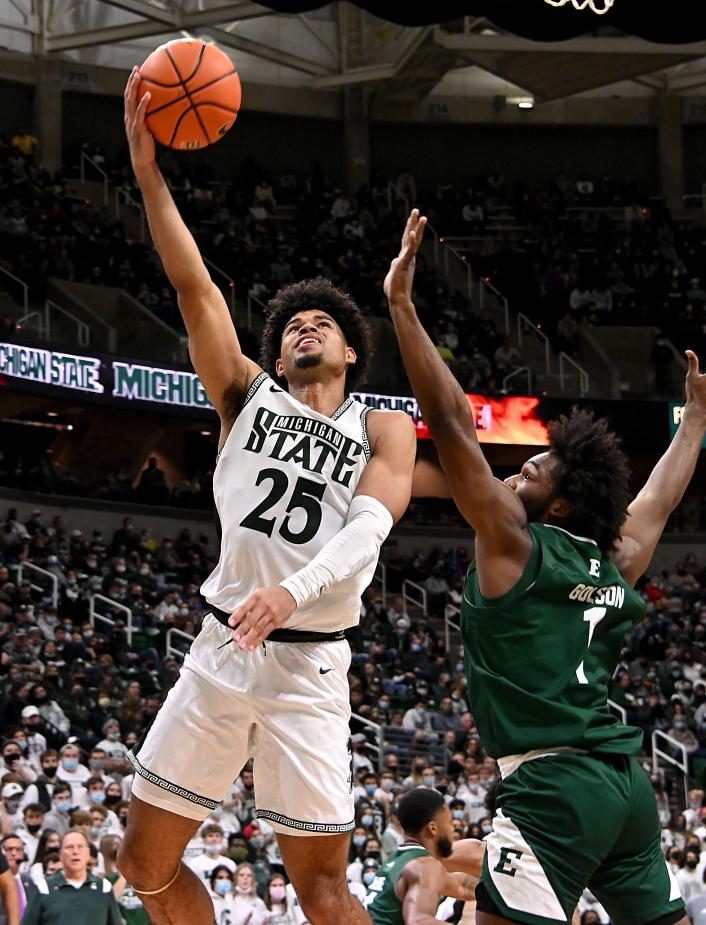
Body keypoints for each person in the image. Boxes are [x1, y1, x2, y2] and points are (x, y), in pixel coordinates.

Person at [385, 208, 706, 925]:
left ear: (559, 506)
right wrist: (697, 417)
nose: (516, 474)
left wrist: (403, 306)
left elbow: (453, 420)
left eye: (531, 472)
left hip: (551, 782)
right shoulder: (616, 557)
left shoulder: (512, 543)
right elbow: (655, 500)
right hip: (623, 787)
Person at [117, 68, 417, 925]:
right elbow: (195, 286)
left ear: (352, 353)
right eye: (291, 325)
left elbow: (370, 524)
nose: (304, 327)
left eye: (322, 322)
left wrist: (293, 589)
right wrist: (147, 172)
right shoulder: (247, 396)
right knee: (142, 861)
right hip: (221, 650)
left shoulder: (383, 427)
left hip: (311, 662)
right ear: (277, 357)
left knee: (322, 890)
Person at [363, 788, 477, 925]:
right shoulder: (424, 866)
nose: (453, 830)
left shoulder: (400, 859)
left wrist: (502, 884)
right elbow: (419, 922)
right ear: (433, 828)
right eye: (450, 823)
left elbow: (461, 886)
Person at [22, 829, 119, 925]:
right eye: (69, 847)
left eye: (80, 846)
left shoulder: (104, 887)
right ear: (61, 855)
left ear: (88, 853)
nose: (75, 851)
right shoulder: (44, 888)